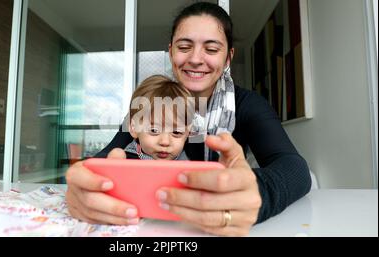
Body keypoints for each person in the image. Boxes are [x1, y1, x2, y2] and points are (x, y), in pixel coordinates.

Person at [65, 2, 311, 236]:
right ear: (170, 50)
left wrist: (257, 194)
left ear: (228, 58)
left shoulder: (247, 105)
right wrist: (84, 187)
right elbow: (104, 161)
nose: (195, 58)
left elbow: (295, 168)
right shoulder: (150, 104)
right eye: (184, 47)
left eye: (212, 49)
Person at [124, 75, 194, 160]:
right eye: (154, 130)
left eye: (176, 132)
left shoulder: (194, 162)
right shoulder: (126, 162)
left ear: (188, 133)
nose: (165, 142)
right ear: (133, 128)